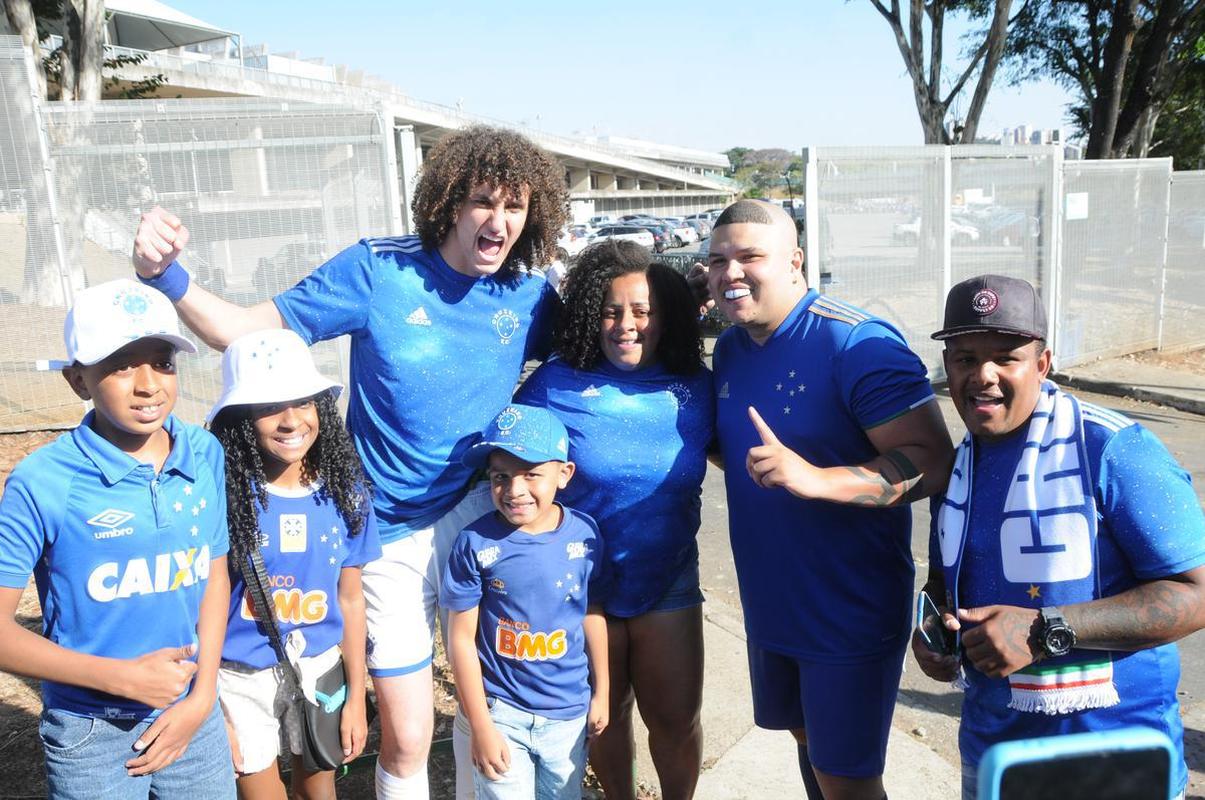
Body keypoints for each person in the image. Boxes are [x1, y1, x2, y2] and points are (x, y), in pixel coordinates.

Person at [131, 125, 568, 799]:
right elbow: (245, 331)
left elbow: (592, 351)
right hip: (384, 531)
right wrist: (166, 276)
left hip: (480, 515)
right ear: (450, 202)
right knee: (409, 736)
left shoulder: (530, 294)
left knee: (493, 703)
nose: (499, 220)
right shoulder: (377, 270)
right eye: (484, 201)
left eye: (515, 207)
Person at [913, 274, 1205, 799]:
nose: (983, 376)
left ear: (1042, 364)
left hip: (1117, 761)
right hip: (993, 757)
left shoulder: (1113, 448)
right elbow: (945, 581)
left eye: (1006, 358)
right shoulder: (957, 468)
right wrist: (936, 632)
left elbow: (1197, 592)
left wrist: (1045, 629)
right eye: (965, 358)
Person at [703, 200, 953, 800]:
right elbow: (746, 454)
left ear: (795, 261)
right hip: (771, 602)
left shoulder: (856, 343)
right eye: (717, 260)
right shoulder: (732, 347)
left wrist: (817, 478)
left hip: (847, 608)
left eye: (749, 257)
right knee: (808, 744)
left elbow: (933, 460)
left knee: (847, 778)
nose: (730, 272)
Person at [0, 279, 235, 798]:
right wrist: (119, 678)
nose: (148, 385)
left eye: (163, 362)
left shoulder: (204, 453)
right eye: (122, 365)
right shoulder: (42, 481)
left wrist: (203, 696)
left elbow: (214, 575)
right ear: (77, 380)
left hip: (192, 718)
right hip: (91, 732)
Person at [514, 240, 713, 800]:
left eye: (644, 311)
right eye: (611, 311)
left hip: (668, 579)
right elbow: (506, 470)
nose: (627, 325)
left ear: (666, 317)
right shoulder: (554, 384)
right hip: (580, 586)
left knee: (676, 721)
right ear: (588, 315)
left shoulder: (698, 386)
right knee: (604, 717)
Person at [208, 328, 382, 799]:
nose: (290, 420)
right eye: (268, 406)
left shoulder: (347, 495)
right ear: (240, 418)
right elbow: (204, 602)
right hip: (239, 678)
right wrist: (209, 704)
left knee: (318, 792)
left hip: (321, 671)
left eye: (303, 401)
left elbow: (351, 600)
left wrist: (356, 696)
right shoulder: (222, 498)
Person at [441, 404, 608, 799]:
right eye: (501, 476)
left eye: (531, 473)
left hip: (567, 715)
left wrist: (602, 691)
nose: (515, 490)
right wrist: (481, 726)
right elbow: (460, 639)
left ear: (564, 474)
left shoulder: (585, 535)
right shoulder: (473, 543)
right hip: (502, 715)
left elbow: (592, 612)